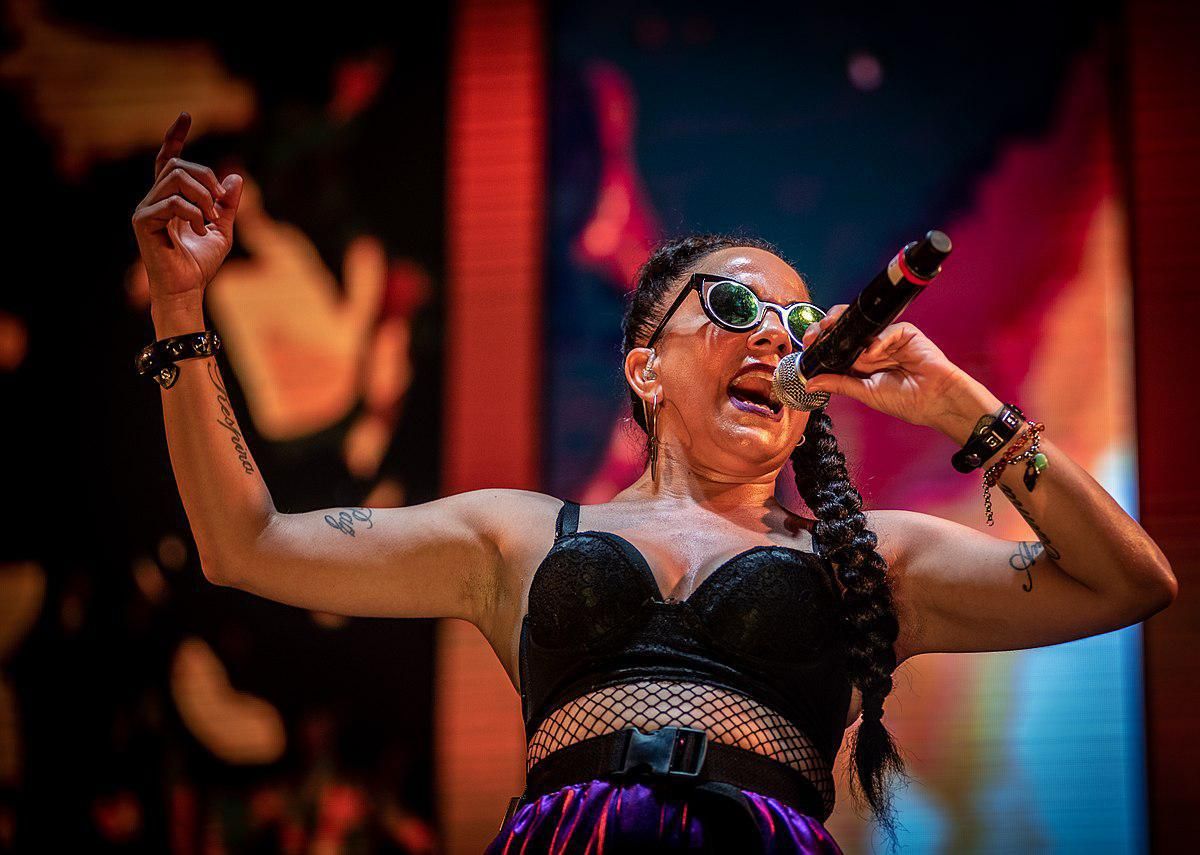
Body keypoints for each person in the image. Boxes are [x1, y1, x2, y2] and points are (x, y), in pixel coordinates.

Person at [132, 111, 1178, 854]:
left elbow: (1128, 581)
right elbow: (245, 543)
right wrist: (179, 308)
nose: (774, 337)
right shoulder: (519, 535)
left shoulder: (866, 560)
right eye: (734, 309)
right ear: (646, 369)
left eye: (797, 325)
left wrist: (959, 406)